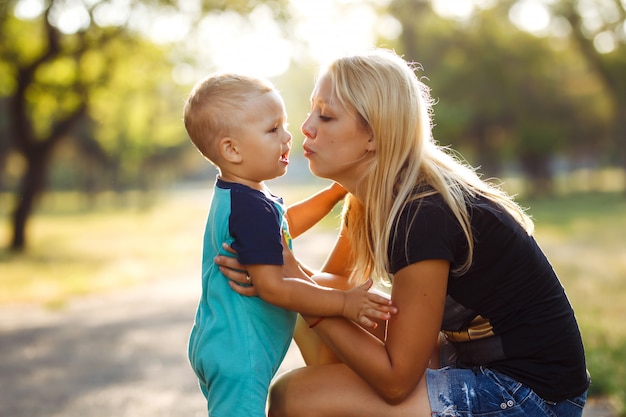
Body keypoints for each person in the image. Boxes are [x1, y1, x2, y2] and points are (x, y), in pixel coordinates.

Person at [218, 49, 590, 417]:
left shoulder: (420, 213)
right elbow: (333, 283)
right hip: (472, 362)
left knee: (293, 396)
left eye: (327, 116)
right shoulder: (374, 199)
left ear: (374, 136)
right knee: (313, 309)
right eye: (313, 109)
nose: (306, 126)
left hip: (532, 396)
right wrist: (276, 278)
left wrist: (293, 283)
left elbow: (396, 382)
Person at [182, 73, 395, 417]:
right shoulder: (250, 208)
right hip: (242, 353)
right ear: (232, 149)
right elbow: (274, 287)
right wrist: (342, 303)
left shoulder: (241, 194)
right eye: (272, 130)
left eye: (283, 125)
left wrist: (332, 194)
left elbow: (284, 227)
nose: (288, 136)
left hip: (221, 339)